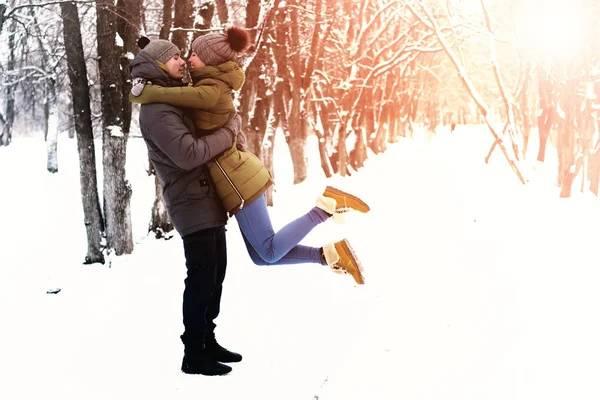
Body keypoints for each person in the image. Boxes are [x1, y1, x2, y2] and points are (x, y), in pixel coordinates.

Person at [130, 28, 370, 285]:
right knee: (261, 256)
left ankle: (324, 209)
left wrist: (148, 92)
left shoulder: (209, 90)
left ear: (210, 60)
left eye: (195, 54)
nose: (189, 59)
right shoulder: (206, 86)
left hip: (237, 178)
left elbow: (175, 97)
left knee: (267, 250)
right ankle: (329, 255)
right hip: (238, 175)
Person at [129, 37, 246, 376]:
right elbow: (188, 153)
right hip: (189, 199)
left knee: (215, 273)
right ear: (157, 65)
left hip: (204, 196)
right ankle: (193, 353)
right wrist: (229, 131)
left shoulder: (172, 99)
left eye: (183, 55)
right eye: (175, 57)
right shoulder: (157, 110)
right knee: (201, 277)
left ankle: (206, 339)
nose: (182, 61)